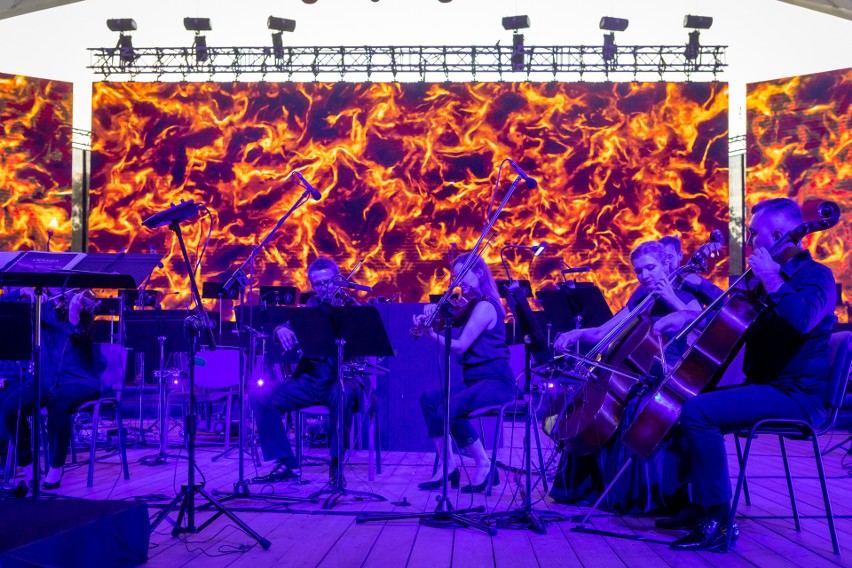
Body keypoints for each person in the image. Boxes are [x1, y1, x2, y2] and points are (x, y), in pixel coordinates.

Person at [656, 198, 837, 551]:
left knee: (700, 412)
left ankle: (718, 521)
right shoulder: (764, 280)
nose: (751, 240)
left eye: (755, 234)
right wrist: (694, 286)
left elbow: (801, 320)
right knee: (686, 399)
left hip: (797, 396)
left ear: (781, 234)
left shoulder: (818, 277)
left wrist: (771, 277)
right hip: (767, 386)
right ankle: (695, 506)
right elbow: (733, 311)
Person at [548, 241, 701, 514]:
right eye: (639, 271)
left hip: (670, 378)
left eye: (651, 268)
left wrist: (672, 300)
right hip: (637, 377)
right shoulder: (642, 300)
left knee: (632, 407)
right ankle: (590, 487)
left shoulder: (686, 296)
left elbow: (700, 326)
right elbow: (603, 333)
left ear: (667, 264)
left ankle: (638, 497)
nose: (645, 276)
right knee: (589, 403)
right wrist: (579, 334)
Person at [249, 256, 367, 486]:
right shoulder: (312, 305)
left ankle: (336, 466)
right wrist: (280, 330)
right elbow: (290, 325)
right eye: (318, 284)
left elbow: (365, 335)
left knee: (340, 396)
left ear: (338, 280)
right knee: (259, 395)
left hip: (345, 378)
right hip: (313, 378)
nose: (325, 288)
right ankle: (286, 462)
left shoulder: (352, 306)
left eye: (329, 282)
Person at [414, 253, 517, 493]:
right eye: (455, 277)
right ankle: (448, 465)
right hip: (474, 381)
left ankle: (484, 465)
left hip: (496, 382)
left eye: (463, 276)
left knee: (450, 410)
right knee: (430, 400)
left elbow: (459, 346)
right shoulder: (470, 305)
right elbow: (445, 322)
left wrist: (430, 335)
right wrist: (430, 316)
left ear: (479, 273)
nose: (458, 283)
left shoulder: (484, 307)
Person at [2, 288, 101, 491]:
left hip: (78, 379)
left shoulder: (84, 311)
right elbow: (4, 306)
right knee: (11, 407)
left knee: (58, 405)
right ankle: (28, 466)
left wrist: (74, 320)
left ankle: (56, 467)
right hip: (45, 379)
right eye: (55, 286)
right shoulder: (42, 307)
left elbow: (82, 341)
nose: (60, 291)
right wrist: (21, 292)